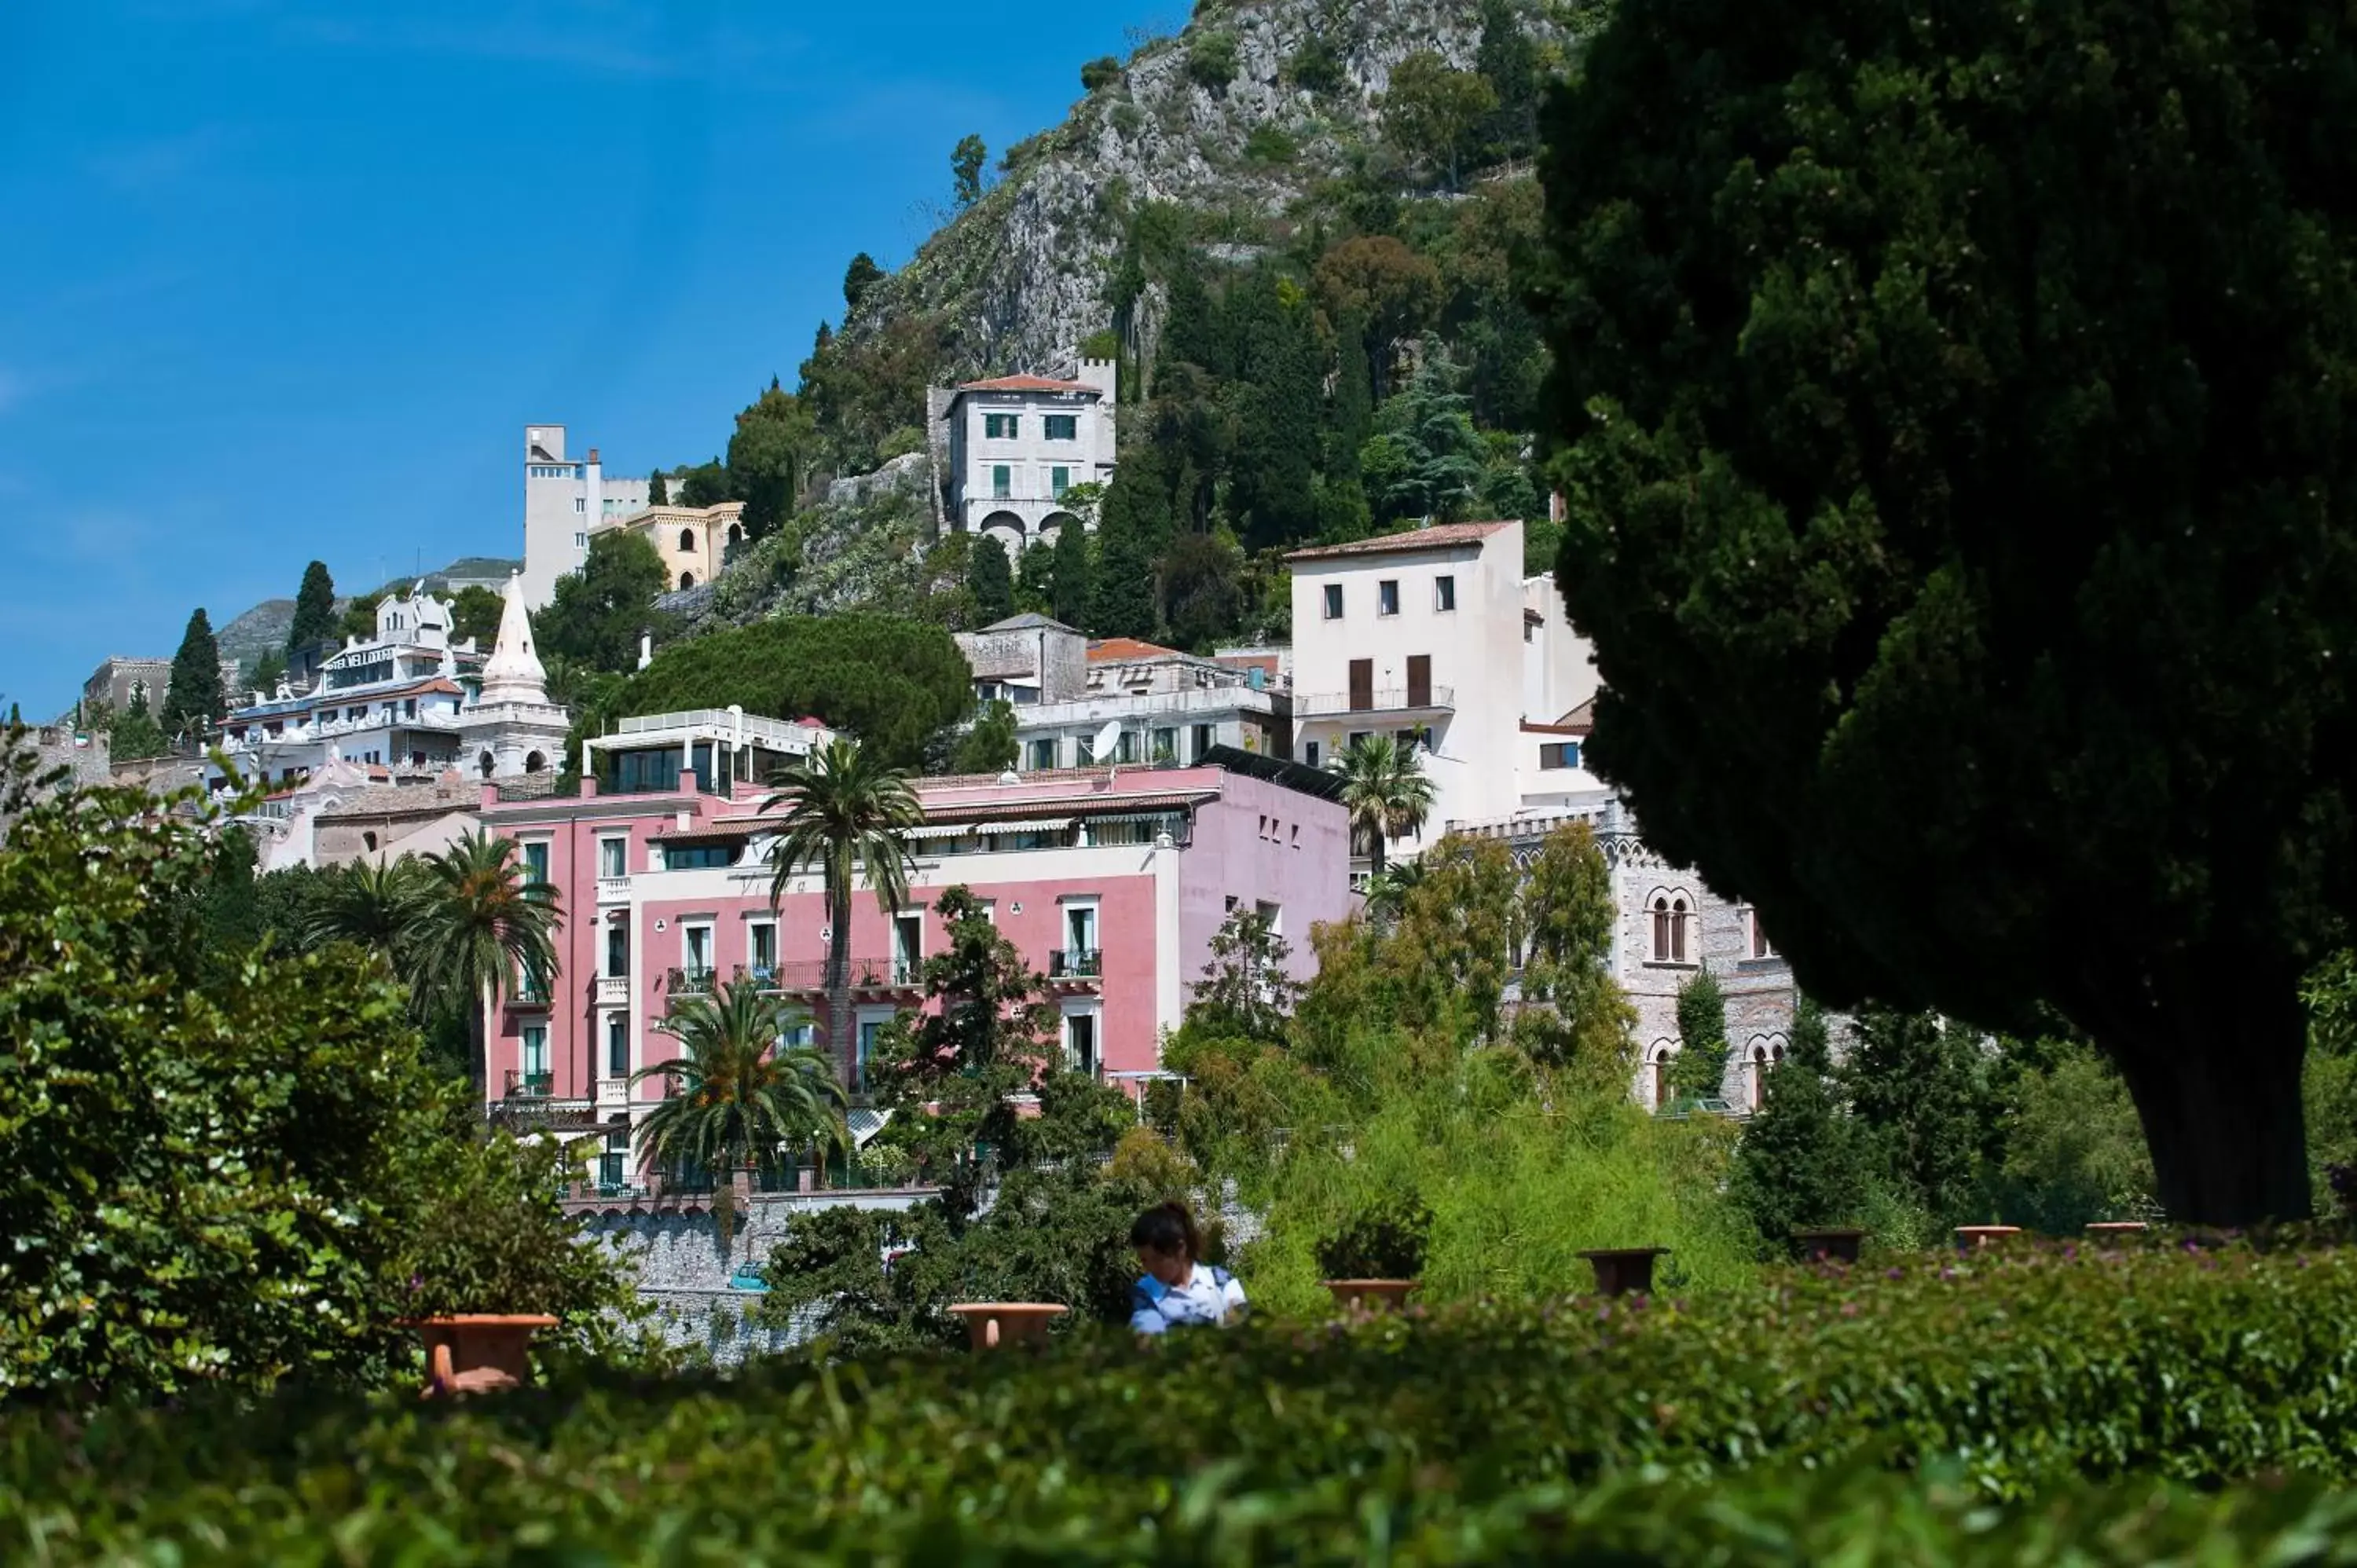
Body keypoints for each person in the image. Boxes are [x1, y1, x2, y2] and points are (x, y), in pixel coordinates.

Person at [1128, 1201, 1244, 1336]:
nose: (1150, 1268)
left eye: (1158, 1259)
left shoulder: (1219, 1280)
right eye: (1144, 1260)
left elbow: (1241, 1319)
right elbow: (1150, 1334)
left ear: (1180, 1249)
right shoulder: (1144, 1293)